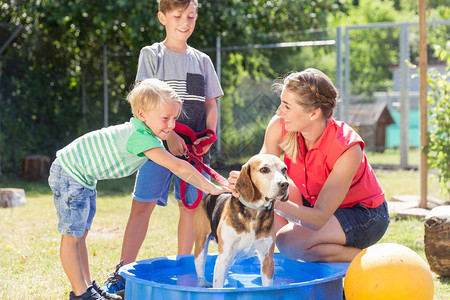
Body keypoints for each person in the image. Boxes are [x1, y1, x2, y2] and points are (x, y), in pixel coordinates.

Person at [48, 78, 228, 300]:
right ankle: (80, 293)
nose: (171, 125)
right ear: (142, 115)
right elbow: (179, 167)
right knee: (72, 237)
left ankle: (87, 288)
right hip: (70, 173)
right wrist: (213, 189)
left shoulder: (147, 134)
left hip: (83, 178)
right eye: (165, 118)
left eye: (174, 118)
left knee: (81, 234)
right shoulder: (140, 137)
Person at [101, 0, 223, 296]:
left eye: (191, 16)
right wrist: (168, 137)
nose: (185, 22)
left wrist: (209, 135)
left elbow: (211, 104)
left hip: (193, 151)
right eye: (178, 16)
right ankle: (123, 272)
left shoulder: (203, 60)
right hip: (157, 147)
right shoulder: (151, 54)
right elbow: (145, 100)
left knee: (191, 210)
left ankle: (185, 273)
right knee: (142, 206)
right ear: (162, 17)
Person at [228, 68, 390, 263]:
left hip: (364, 215)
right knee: (276, 189)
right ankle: (289, 264)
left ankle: (370, 261)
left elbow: (319, 217)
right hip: (315, 205)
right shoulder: (280, 126)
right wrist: (245, 180)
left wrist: (273, 200)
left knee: (288, 242)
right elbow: (260, 171)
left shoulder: (347, 148)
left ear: (313, 113)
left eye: (287, 106)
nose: (279, 111)